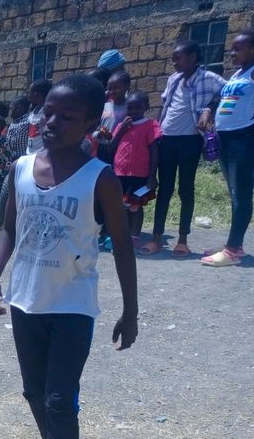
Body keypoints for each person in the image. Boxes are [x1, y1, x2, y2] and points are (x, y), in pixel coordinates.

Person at [0, 75, 138, 439]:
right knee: (34, 391)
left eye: (66, 116)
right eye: (48, 112)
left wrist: (130, 310)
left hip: (72, 307)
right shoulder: (21, 168)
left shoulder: (100, 178)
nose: (51, 122)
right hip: (25, 301)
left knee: (59, 400)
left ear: (91, 123)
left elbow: (123, 245)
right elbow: (10, 229)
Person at [143, 40, 226, 256]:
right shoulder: (174, 79)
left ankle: (182, 240)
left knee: (186, 189)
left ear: (193, 58)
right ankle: (156, 238)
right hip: (167, 140)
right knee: (164, 189)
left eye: (178, 58)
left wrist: (208, 109)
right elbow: (167, 106)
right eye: (173, 59)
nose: (174, 63)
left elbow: (227, 92)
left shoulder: (208, 78)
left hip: (190, 141)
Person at [201, 28, 254, 267]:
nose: (232, 53)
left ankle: (232, 251)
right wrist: (208, 110)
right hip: (226, 139)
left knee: (241, 194)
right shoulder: (237, 75)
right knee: (234, 193)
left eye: (238, 49)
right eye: (232, 48)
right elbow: (219, 98)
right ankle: (235, 245)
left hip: (244, 138)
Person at [109, 91, 161, 244]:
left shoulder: (151, 125)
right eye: (129, 108)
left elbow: (154, 151)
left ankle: (134, 236)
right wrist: (122, 130)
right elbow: (111, 148)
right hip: (120, 174)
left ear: (146, 107)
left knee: (135, 206)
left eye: (137, 108)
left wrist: (152, 176)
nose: (133, 111)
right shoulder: (121, 125)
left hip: (139, 175)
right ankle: (123, 236)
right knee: (122, 205)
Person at [25, 79, 52, 157]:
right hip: (30, 152)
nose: (28, 95)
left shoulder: (47, 111)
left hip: (41, 153)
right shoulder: (34, 109)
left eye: (30, 92)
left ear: (36, 94)